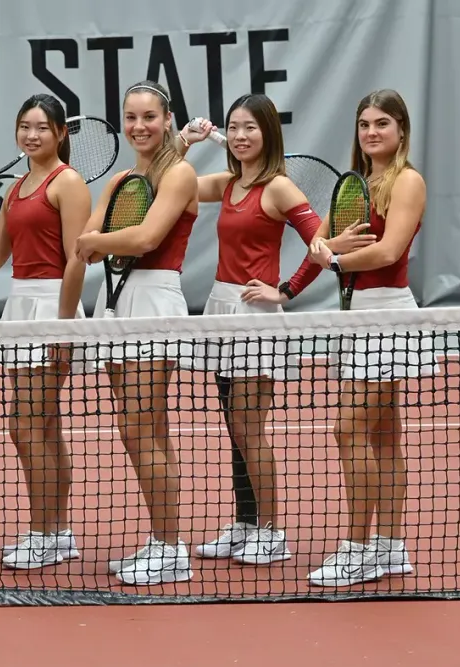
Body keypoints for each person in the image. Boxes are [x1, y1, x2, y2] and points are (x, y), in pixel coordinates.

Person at [177, 94, 370, 568]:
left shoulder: (280, 188)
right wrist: (182, 142)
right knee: (234, 427)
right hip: (221, 310)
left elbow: (320, 246)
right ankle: (245, 523)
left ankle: (271, 531)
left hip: (255, 318)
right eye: (234, 128)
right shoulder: (225, 183)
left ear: (268, 134)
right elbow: (168, 185)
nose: (241, 136)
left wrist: (285, 290)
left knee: (248, 427)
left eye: (251, 128)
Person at [74, 80, 198, 586]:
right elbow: (86, 248)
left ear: (167, 120)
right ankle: (163, 540)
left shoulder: (181, 173)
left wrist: (100, 239)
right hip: (115, 302)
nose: (139, 126)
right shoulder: (121, 179)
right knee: (138, 429)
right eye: (131, 117)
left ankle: (170, 546)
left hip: (154, 301)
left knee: (143, 427)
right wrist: (98, 240)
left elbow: (145, 238)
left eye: (149, 116)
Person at [305, 89, 429, 587]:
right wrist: (295, 281)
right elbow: (323, 245)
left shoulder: (408, 181)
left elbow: (388, 251)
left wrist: (332, 259)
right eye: (364, 125)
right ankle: (391, 546)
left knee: (348, 429)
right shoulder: (357, 184)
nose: (372, 132)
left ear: (401, 129)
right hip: (355, 318)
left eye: (381, 123)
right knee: (382, 435)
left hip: (388, 318)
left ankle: (359, 547)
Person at [0, 94, 90, 570]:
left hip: (51, 305)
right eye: (24, 126)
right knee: (43, 427)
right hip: (20, 305)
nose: (32, 135)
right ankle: (58, 531)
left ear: (60, 134)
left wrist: (63, 324)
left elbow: (77, 257)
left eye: (42, 127)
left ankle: (44, 532)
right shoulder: (16, 188)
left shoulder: (66, 183)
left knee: (27, 427)